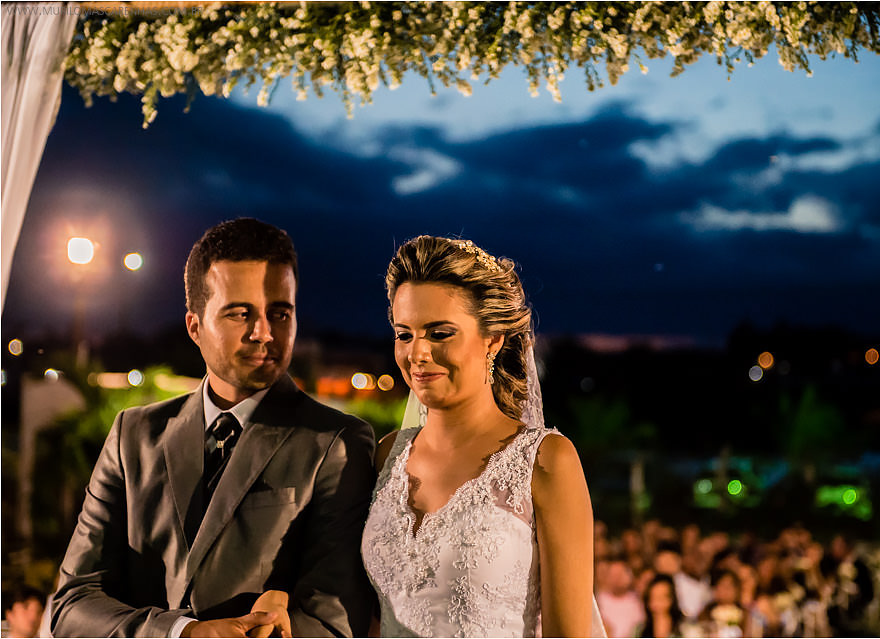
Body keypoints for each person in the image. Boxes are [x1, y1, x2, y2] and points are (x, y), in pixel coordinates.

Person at [51, 218, 376, 637]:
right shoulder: (133, 434)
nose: (264, 333)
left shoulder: (338, 442)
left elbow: (333, 621)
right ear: (194, 327)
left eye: (280, 313)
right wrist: (181, 633)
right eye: (240, 313)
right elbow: (72, 604)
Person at [361, 236, 599, 637]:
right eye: (404, 334)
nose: (417, 353)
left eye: (439, 334)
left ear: (493, 339)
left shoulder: (545, 461)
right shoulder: (387, 455)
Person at [639, 574, 684, 638]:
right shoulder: (639, 629)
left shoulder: (684, 628)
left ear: (672, 599)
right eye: (653, 598)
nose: (657, 603)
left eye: (661, 598)